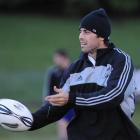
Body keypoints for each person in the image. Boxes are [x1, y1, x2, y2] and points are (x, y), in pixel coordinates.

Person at [29, 8, 140, 140]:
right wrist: (31, 121)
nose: (80, 36)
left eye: (86, 32)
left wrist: (72, 98)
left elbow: (113, 95)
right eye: (80, 31)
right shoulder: (74, 69)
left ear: (101, 36)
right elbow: (57, 107)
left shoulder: (121, 60)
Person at [42, 49, 74, 140]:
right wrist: (48, 104)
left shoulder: (75, 69)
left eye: (56, 58)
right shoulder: (54, 72)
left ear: (63, 57)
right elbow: (50, 90)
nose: (54, 60)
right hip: (62, 104)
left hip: (75, 103)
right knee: (62, 124)